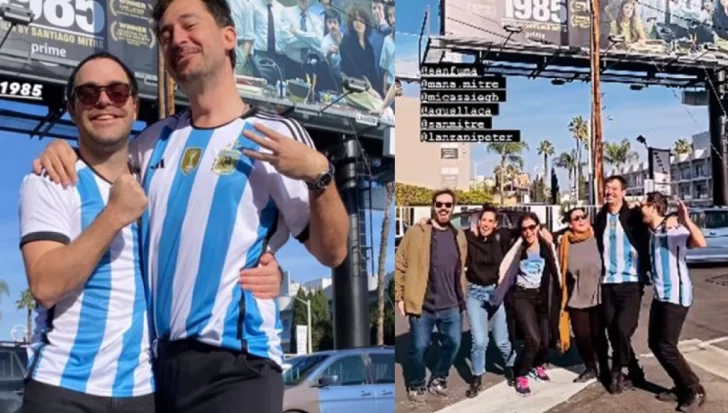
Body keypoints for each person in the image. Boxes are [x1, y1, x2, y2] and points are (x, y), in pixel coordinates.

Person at [32, 0, 350, 411]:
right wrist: (60, 150)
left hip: (238, 364)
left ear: (229, 36)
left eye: (189, 25)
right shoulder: (151, 143)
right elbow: (99, 158)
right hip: (156, 369)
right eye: (166, 34)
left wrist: (319, 176)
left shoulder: (274, 135)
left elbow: (333, 252)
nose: (177, 39)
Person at [20, 52, 284, 413]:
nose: (102, 101)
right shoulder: (52, 180)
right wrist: (113, 215)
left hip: (144, 393)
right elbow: (45, 286)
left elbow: (211, 241)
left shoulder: (155, 183)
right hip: (63, 389)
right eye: (87, 93)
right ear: (71, 108)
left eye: (116, 92)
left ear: (133, 105)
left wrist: (272, 269)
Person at [594, 175, 673, 393]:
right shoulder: (600, 217)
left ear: (623, 192)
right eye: (607, 188)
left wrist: (672, 217)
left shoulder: (633, 216)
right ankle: (635, 371)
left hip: (631, 282)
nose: (609, 192)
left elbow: (656, 216)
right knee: (613, 331)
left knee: (622, 328)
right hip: (608, 282)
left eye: (614, 188)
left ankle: (618, 369)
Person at [394, 189, 467, 404]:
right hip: (422, 304)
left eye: (447, 205)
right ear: (433, 206)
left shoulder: (458, 234)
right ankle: (416, 383)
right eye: (439, 204)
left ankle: (439, 378)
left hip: (451, 303)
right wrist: (399, 296)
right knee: (419, 347)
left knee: (453, 343)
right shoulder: (416, 232)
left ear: (453, 208)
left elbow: (462, 265)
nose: (443, 208)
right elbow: (400, 263)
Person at [641, 193, 707, 412]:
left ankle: (693, 388)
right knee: (655, 343)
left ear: (653, 207)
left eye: (643, 204)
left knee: (667, 346)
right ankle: (681, 385)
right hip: (661, 296)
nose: (640, 207)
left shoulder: (673, 230)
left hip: (676, 296)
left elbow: (700, 242)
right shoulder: (652, 230)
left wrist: (684, 220)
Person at [493, 213, 565, 396]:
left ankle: (538, 363)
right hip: (521, 296)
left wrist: (551, 238)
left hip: (541, 297)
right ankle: (521, 373)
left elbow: (567, 231)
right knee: (533, 338)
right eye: (524, 229)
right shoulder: (517, 246)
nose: (528, 232)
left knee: (546, 339)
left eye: (532, 227)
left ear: (538, 227)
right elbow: (498, 231)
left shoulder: (547, 247)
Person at [462, 204, 517, 397]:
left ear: (495, 224)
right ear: (478, 221)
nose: (486, 224)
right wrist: (425, 222)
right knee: (479, 341)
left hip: (496, 294)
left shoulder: (501, 238)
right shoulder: (468, 237)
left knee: (502, 341)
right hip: (476, 294)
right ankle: (477, 377)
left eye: (490, 221)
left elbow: (523, 230)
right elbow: (446, 231)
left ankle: (510, 366)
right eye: (483, 220)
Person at [557, 207, 610, 384]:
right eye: (576, 218)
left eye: (583, 216)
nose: (581, 220)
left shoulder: (598, 235)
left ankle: (604, 368)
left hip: (598, 296)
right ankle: (590, 368)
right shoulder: (565, 241)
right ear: (570, 224)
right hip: (576, 297)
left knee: (598, 335)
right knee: (582, 336)